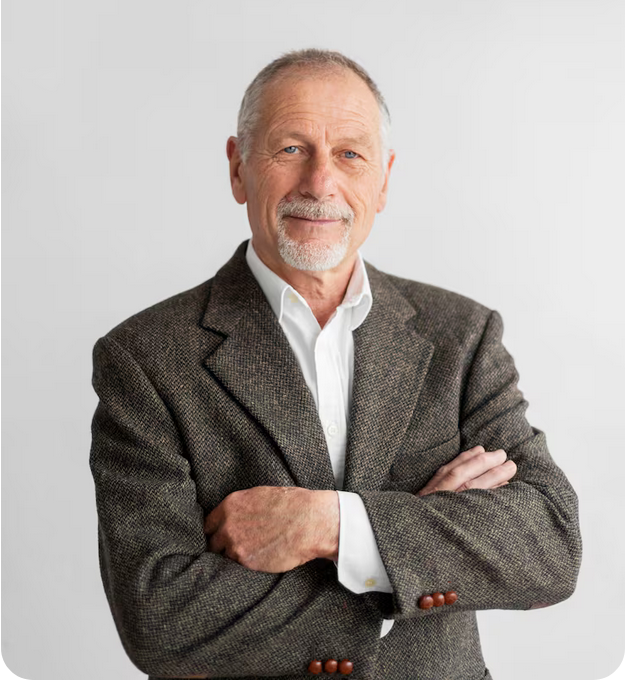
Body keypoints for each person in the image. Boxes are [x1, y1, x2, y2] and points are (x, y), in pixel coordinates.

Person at [89, 49, 582, 680]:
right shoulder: (146, 357)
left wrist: (330, 526)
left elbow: (549, 545)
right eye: (291, 148)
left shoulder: (462, 335)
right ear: (238, 168)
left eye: (350, 153)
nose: (320, 183)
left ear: (384, 180)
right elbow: (159, 619)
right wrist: (406, 551)